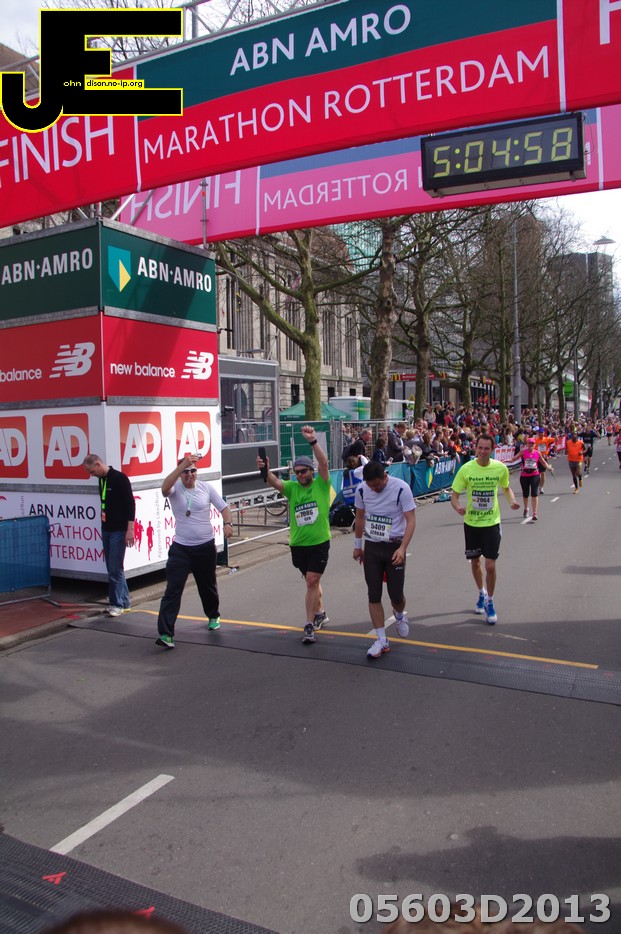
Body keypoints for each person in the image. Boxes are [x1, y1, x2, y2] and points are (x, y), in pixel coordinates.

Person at [258, 424, 331, 645]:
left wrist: (312, 441)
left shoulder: (321, 485)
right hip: (298, 545)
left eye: (303, 471)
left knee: (312, 580)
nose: (300, 475)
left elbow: (324, 463)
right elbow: (273, 481)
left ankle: (309, 624)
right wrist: (265, 469)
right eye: (297, 472)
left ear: (311, 471)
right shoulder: (292, 488)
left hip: (319, 542)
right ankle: (320, 612)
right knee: (311, 581)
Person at [155, 454, 233, 649]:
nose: (190, 475)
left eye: (193, 471)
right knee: (173, 589)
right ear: (180, 473)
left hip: (205, 546)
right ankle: (166, 634)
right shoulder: (174, 488)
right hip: (181, 548)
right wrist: (182, 465)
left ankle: (213, 615)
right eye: (185, 472)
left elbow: (224, 508)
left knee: (207, 586)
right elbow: (164, 488)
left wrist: (228, 523)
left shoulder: (206, 488)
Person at [450, 434, 521, 625]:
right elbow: (454, 495)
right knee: (475, 563)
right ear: (476, 448)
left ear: (492, 450)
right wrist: (457, 507)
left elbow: (506, 488)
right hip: (472, 523)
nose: (482, 451)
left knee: (490, 565)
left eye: (486, 448)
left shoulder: (500, 468)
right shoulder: (466, 469)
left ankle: (490, 601)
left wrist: (512, 501)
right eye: (480, 448)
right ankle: (481, 592)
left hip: (491, 522)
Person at [353, 460, 417, 658]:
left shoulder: (401, 488)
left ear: (385, 476)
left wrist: (403, 548)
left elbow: (411, 520)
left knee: (396, 596)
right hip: (372, 546)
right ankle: (381, 639)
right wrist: (358, 546)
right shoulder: (362, 490)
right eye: (370, 486)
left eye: (377, 485)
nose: (374, 489)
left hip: (394, 546)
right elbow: (360, 517)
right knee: (373, 594)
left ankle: (399, 614)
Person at [82, 454, 135, 617]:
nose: (92, 475)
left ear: (98, 464)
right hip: (106, 528)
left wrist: (130, 529)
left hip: (119, 530)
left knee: (115, 568)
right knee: (113, 568)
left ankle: (116, 604)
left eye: (92, 471)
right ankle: (124, 602)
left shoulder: (120, 478)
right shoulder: (101, 480)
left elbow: (130, 504)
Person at [512, 436, 553, 521]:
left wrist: (549, 468)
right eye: (529, 443)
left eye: (532, 443)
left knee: (534, 494)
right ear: (527, 444)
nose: (531, 445)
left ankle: (535, 513)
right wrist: (504, 462)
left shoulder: (537, 453)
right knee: (525, 494)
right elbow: (513, 459)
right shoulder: (523, 452)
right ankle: (526, 508)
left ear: (535, 445)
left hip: (535, 475)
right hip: (524, 475)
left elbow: (543, 462)